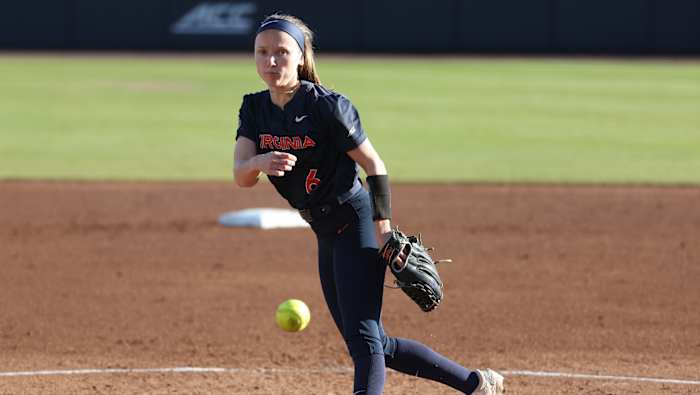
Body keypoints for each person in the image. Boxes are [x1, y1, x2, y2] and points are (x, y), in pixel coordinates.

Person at [233, 13, 505, 395]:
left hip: (355, 220)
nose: (271, 61)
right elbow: (241, 175)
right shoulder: (254, 108)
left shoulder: (327, 106)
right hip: (324, 231)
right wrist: (259, 162)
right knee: (373, 341)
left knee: (364, 342)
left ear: (300, 57)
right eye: (263, 52)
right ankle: (476, 384)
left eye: (281, 52)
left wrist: (383, 228)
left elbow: (374, 165)